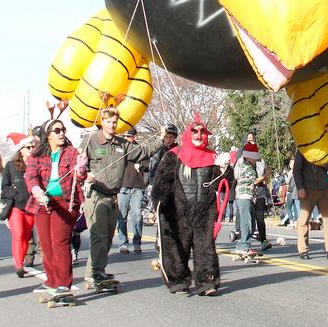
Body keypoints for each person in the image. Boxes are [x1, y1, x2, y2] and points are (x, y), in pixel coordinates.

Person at [81, 108, 161, 289]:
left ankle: (98, 271)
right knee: (98, 236)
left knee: (108, 237)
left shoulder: (122, 144)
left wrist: (160, 140)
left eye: (115, 122)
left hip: (113, 196)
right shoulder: (91, 140)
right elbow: (78, 163)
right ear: (102, 121)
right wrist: (85, 174)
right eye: (109, 122)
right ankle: (91, 274)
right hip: (96, 195)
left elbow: (142, 152)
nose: (112, 125)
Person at [151, 116, 225, 295]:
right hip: (179, 211)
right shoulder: (174, 155)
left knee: (205, 248)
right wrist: (159, 204)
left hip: (205, 212)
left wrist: (225, 169)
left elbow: (223, 184)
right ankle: (178, 281)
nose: (199, 135)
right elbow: (161, 182)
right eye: (195, 131)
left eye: (202, 132)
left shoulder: (213, 157)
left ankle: (207, 282)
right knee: (178, 246)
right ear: (188, 133)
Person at [25, 119, 84, 303]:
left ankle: (63, 285)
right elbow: (31, 177)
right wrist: (37, 191)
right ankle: (51, 282)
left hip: (65, 202)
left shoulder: (72, 152)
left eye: (63, 129)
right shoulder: (36, 155)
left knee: (60, 242)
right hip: (42, 203)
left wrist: (81, 168)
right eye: (57, 130)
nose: (61, 133)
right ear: (47, 134)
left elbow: (79, 175)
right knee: (47, 245)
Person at [294, 149, 328, 261]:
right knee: (304, 220)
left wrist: (323, 162)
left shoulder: (326, 148)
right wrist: (300, 187)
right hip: (307, 189)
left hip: (323, 188)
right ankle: (303, 250)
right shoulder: (303, 149)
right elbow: (296, 170)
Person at [2, 134, 37, 277]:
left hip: (32, 207)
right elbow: (4, 186)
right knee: (18, 234)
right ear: (21, 150)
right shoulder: (11, 166)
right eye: (28, 147)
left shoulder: (37, 164)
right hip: (16, 206)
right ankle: (19, 265)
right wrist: (14, 194)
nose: (31, 149)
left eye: (33, 146)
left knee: (26, 236)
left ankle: (21, 260)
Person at [116, 127, 148, 254]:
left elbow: (147, 166)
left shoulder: (140, 150)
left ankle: (137, 243)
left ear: (135, 136)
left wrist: (140, 166)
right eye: (124, 136)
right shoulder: (119, 149)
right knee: (121, 216)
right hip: (122, 187)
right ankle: (123, 243)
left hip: (137, 187)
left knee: (137, 216)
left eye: (129, 136)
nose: (127, 139)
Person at [233, 140, 261, 257]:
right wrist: (266, 175)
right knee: (247, 221)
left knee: (249, 221)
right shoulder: (247, 167)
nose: (256, 161)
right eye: (255, 159)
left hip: (244, 196)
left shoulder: (241, 165)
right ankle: (244, 245)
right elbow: (255, 180)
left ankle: (243, 244)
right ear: (250, 158)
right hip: (245, 196)